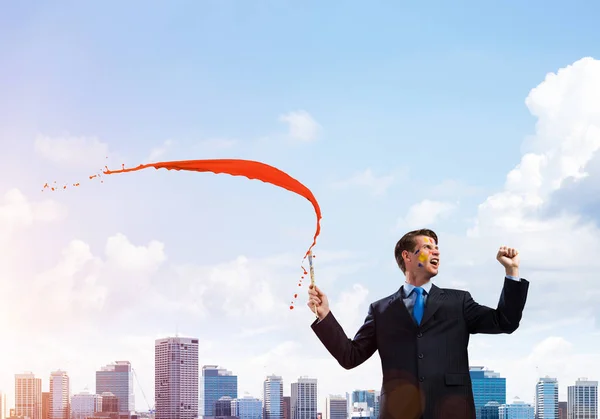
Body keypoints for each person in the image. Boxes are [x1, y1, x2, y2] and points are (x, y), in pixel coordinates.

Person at [307, 229, 529, 419]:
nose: (437, 252)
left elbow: (505, 322)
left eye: (437, 248)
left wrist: (512, 272)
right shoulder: (381, 310)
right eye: (428, 247)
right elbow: (350, 356)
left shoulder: (458, 302)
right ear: (407, 256)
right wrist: (325, 315)